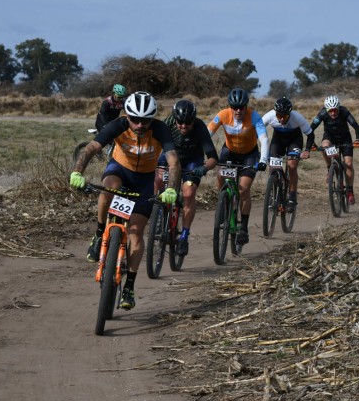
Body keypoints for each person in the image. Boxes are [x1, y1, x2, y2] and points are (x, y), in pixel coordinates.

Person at [69, 91, 181, 311]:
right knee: (109, 188)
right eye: (135, 119)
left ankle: (129, 285)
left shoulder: (160, 130)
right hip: (119, 170)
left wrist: (171, 190)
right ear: (127, 115)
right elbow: (92, 148)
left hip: (144, 182)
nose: (140, 125)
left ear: (153, 119)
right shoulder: (118, 125)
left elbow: (174, 162)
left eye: (145, 120)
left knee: (136, 233)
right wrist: (77, 172)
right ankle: (100, 233)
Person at [154, 99, 218, 256]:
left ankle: (184, 236)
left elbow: (213, 158)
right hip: (171, 157)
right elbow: (153, 146)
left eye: (187, 123)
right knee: (158, 179)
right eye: (180, 123)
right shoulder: (167, 123)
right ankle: (159, 213)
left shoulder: (200, 127)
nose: (183, 126)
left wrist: (203, 168)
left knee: (188, 193)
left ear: (193, 121)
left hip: (192, 162)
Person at [207, 87, 269, 245]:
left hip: (250, 154)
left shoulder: (254, 116)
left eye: (241, 107)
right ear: (230, 107)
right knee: (220, 175)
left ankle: (244, 228)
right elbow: (207, 134)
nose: (238, 111)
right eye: (234, 107)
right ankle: (223, 204)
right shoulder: (223, 115)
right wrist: (204, 154)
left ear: (246, 106)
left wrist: (263, 160)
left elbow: (264, 139)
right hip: (230, 151)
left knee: (243, 189)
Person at [261, 97, 315, 212]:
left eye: (284, 116)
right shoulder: (270, 116)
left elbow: (310, 134)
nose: (281, 119)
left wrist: (307, 150)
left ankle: (291, 196)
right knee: (273, 166)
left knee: (292, 165)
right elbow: (257, 128)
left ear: (289, 114)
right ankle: (273, 191)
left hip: (294, 140)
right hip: (278, 140)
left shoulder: (297, 117)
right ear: (275, 113)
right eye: (278, 116)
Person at [309, 95, 359, 205]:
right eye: (330, 111)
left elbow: (356, 126)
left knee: (348, 163)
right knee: (324, 146)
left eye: (335, 110)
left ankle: (350, 191)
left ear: (338, 108)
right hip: (330, 137)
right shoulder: (322, 113)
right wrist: (312, 144)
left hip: (345, 137)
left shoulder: (344, 111)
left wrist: (358, 140)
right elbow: (311, 128)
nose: (333, 113)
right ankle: (330, 169)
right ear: (326, 110)